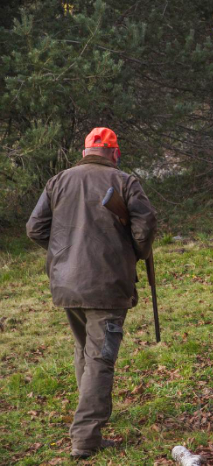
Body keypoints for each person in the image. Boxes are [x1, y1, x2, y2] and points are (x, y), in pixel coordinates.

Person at [26, 127, 157, 459]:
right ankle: (85, 438)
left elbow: (35, 228)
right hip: (107, 285)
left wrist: (62, 252)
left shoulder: (57, 181)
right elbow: (146, 225)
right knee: (101, 358)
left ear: (86, 152)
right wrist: (135, 252)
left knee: (85, 349)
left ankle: (89, 417)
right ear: (115, 153)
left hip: (66, 284)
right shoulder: (126, 182)